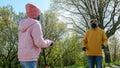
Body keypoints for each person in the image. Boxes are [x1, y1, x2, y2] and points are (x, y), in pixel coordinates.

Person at [18, 3, 53, 68]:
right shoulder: (35, 24)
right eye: (39, 14)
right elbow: (39, 43)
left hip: (21, 58)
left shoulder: (22, 25)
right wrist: (49, 42)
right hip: (30, 58)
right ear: (37, 15)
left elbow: (28, 42)